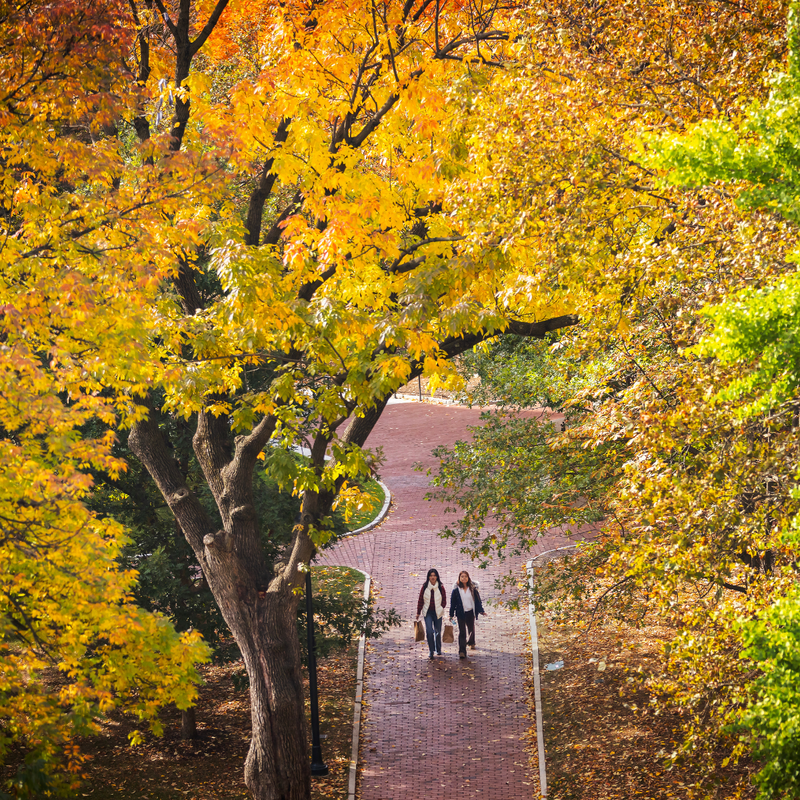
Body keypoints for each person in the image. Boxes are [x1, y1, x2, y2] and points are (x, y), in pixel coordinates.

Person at [449, 570, 486, 659]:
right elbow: (452, 604)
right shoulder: (456, 591)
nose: (464, 578)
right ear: (459, 578)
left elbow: (478, 601)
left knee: (471, 629)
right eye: (462, 576)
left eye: (465, 576)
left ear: (468, 578)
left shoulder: (473, 589)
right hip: (461, 613)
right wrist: (451, 615)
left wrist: (481, 611)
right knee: (462, 632)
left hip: (470, 612)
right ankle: (462, 651)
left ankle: (471, 642)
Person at [416, 568, 446, 660]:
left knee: (437, 632)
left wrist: (441, 607)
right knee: (429, 631)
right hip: (428, 612)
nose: (432, 577)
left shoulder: (440, 587)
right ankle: (431, 650)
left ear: (437, 577)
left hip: (437, 612)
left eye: (434, 575)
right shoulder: (425, 587)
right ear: (428, 577)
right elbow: (421, 600)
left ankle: (438, 649)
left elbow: (444, 600)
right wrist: (418, 612)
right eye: (431, 576)